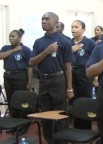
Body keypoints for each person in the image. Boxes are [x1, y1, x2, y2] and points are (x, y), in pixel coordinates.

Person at [29, 12, 74, 144]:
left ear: (55, 22)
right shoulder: (39, 42)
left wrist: (70, 88)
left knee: (60, 113)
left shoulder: (64, 41)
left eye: (47, 19)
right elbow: (31, 62)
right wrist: (47, 51)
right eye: (42, 19)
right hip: (44, 81)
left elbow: (68, 67)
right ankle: (49, 140)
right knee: (45, 114)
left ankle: (62, 141)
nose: (43, 21)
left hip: (58, 81)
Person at [0, 28, 33, 117]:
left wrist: (29, 82)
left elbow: (29, 67)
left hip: (20, 76)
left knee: (20, 99)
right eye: (10, 36)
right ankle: (12, 118)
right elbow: (0, 56)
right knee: (10, 98)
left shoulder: (26, 50)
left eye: (13, 36)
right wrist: (13, 51)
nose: (11, 38)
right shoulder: (5, 48)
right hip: (8, 76)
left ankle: (22, 121)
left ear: (19, 38)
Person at [70, 20, 96, 129]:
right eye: (72, 27)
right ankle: (76, 126)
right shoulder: (68, 42)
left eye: (76, 27)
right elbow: (62, 58)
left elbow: (96, 60)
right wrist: (72, 49)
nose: (73, 29)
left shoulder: (90, 43)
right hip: (71, 72)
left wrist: (96, 77)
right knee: (74, 100)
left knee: (85, 99)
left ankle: (86, 127)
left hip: (85, 73)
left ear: (83, 29)